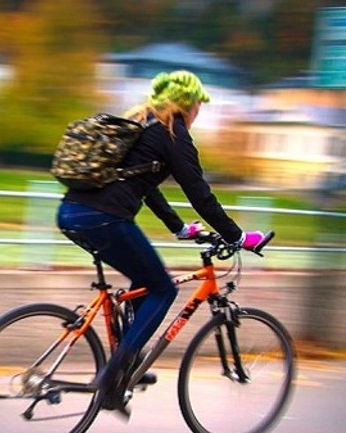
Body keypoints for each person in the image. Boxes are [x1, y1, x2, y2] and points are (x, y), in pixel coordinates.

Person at [56, 70, 267, 415]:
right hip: (105, 218)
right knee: (164, 290)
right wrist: (238, 237)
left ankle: (127, 360)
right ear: (189, 105)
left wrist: (180, 229)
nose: (199, 112)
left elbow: (147, 188)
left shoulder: (143, 126)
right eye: (199, 105)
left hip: (71, 213)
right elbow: (200, 194)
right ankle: (112, 378)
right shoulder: (174, 135)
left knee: (145, 280)